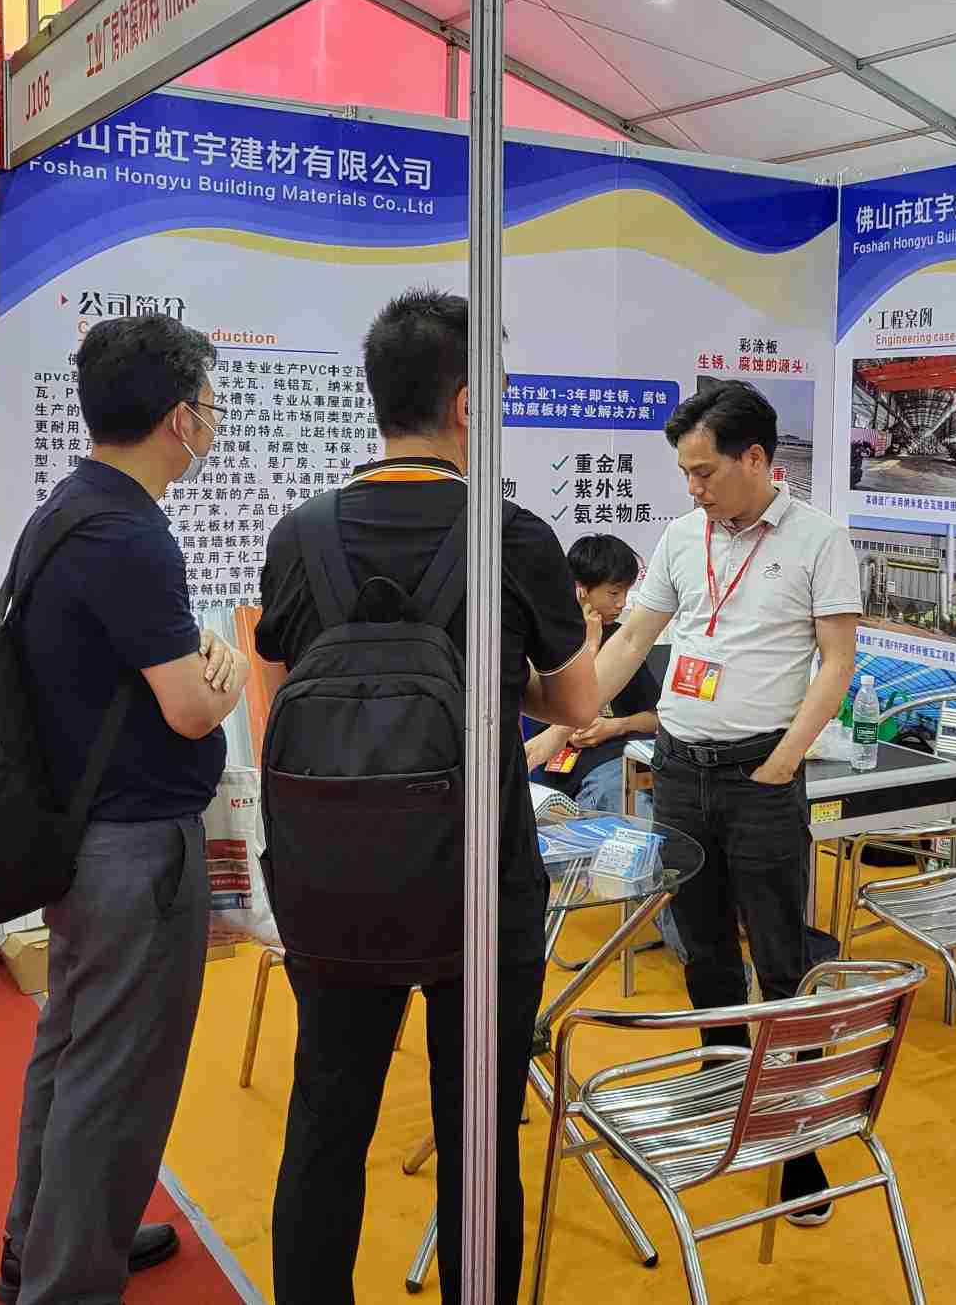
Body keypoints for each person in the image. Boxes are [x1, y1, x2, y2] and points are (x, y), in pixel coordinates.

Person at [256, 288, 599, 1305]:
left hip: (331, 876)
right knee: (478, 1134)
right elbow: (576, 704)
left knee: (326, 1121)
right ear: (465, 404)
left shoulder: (299, 534)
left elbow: (279, 684)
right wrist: (492, 681)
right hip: (479, 885)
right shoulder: (514, 536)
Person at [0, 315, 248, 1305]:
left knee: (72, 1050)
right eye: (212, 406)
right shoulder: (131, 534)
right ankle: (67, 1280)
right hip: (135, 847)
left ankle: (46, 1242)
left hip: (85, 833)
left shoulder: (70, 508)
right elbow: (189, 706)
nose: (214, 423)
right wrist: (227, 676)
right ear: (181, 418)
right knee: (118, 1075)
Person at [589, 380, 861, 1224]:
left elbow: (837, 662)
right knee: (703, 951)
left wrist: (783, 762)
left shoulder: (819, 539)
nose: (693, 487)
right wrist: (570, 716)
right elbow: (634, 637)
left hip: (760, 779)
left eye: (704, 471)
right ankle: (721, 1098)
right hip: (679, 771)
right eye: (685, 472)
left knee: (780, 959)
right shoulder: (682, 536)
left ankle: (794, 1138)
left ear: (756, 458)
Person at [525, 533, 683, 957]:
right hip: (575, 778)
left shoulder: (622, 642)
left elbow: (656, 718)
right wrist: (590, 644)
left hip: (632, 761)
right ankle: (692, 948)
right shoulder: (541, 640)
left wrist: (616, 727)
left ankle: (706, 933)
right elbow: (555, 715)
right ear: (581, 590)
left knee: (678, 824)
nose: (621, 603)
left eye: (626, 593)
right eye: (614, 593)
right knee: (643, 833)